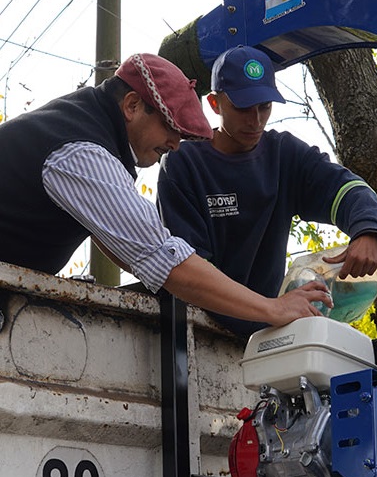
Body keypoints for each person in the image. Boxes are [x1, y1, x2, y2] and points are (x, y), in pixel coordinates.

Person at [0, 53, 331, 328]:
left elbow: (122, 241)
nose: (175, 144)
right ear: (132, 106)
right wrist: (272, 309)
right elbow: (161, 256)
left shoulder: (83, 123)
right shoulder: (81, 152)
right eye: (171, 127)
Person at [157, 45, 377, 337]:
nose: (255, 121)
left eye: (264, 106)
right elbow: (190, 272)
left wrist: (368, 230)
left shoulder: (285, 154)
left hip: (268, 329)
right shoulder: (183, 164)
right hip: (196, 331)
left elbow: (348, 188)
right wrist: (270, 309)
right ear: (215, 104)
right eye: (242, 108)